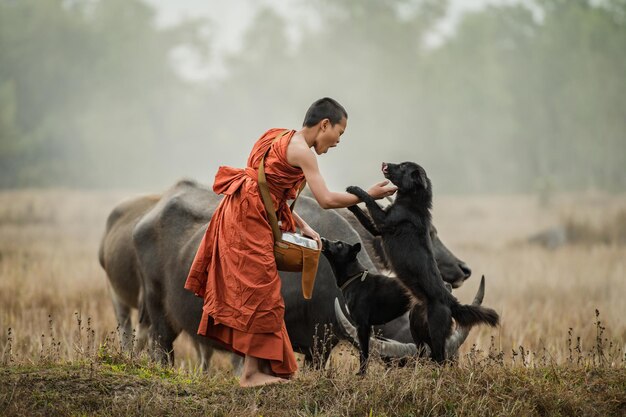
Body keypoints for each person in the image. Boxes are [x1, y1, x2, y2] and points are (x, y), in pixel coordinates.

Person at [184, 97, 397, 387]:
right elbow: (326, 199)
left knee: (259, 293)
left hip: (242, 211)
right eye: (340, 133)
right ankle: (250, 375)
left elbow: (268, 189)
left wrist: (304, 226)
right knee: (263, 294)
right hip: (248, 220)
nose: (338, 142)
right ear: (325, 125)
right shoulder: (303, 153)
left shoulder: (278, 136)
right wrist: (367, 194)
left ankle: (258, 369)